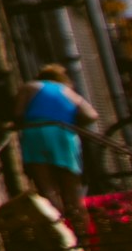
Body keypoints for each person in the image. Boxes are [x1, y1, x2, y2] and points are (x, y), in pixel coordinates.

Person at [16, 60, 91, 211]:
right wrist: (73, 120)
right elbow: (91, 115)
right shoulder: (67, 91)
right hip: (64, 133)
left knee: (45, 184)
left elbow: (17, 113)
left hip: (35, 131)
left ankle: (56, 216)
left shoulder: (30, 86)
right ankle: (77, 216)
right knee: (70, 183)